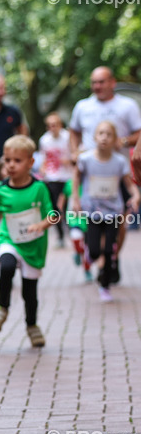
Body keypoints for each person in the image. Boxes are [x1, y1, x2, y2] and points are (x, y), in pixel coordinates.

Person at [0, 136, 57, 347]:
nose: (11, 165)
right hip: (8, 238)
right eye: (7, 160)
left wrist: (41, 225)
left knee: (29, 292)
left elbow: (53, 215)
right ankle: (2, 307)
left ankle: (32, 325)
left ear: (31, 162)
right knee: (6, 266)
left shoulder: (40, 189)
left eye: (17, 160)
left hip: (33, 245)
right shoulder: (1, 189)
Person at [70, 121, 140, 302]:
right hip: (92, 211)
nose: (104, 137)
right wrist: (75, 199)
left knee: (109, 251)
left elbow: (128, 182)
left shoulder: (119, 161)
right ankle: (89, 254)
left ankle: (105, 286)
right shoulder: (85, 159)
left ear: (115, 139)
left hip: (113, 213)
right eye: (101, 133)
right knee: (94, 251)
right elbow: (76, 176)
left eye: (109, 134)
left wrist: (135, 195)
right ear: (94, 137)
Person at [38, 113, 73, 248]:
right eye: (50, 126)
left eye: (55, 125)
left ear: (60, 125)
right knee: (55, 209)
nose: (53, 128)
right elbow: (43, 158)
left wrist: (68, 161)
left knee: (68, 207)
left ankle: (73, 232)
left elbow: (76, 154)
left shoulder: (68, 137)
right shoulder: (44, 140)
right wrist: (42, 170)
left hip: (67, 177)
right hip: (52, 177)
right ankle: (60, 235)